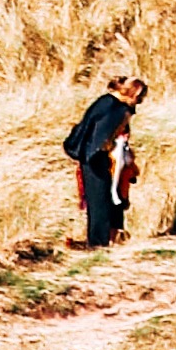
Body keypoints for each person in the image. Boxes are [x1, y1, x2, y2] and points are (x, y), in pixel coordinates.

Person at [63, 71, 145, 248]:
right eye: (139, 99)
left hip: (92, 156)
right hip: (94, 157)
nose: (138, 104)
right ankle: (98, 244)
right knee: (99, 199)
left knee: (106, 197)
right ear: (132, 94)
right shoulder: (116, 108)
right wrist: (108, 150)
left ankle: (105, 239)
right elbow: (101, 137)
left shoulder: (106, 102)